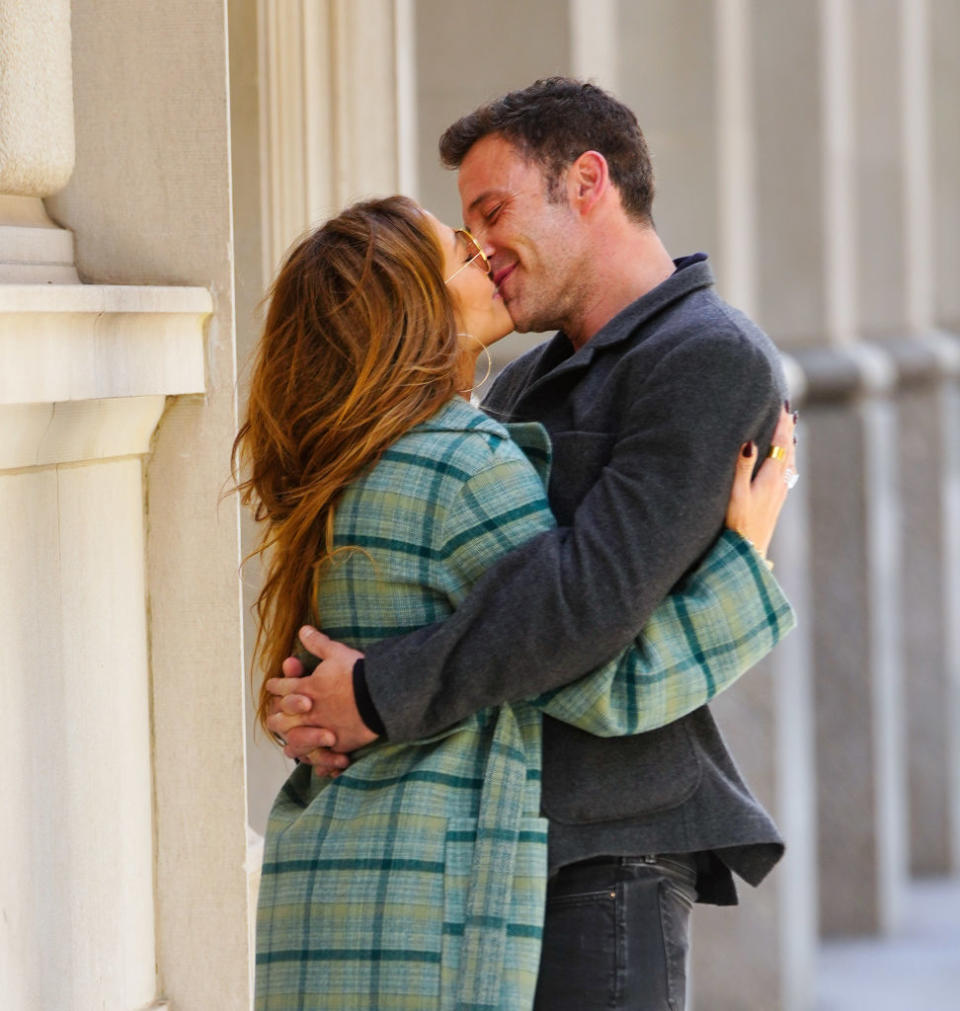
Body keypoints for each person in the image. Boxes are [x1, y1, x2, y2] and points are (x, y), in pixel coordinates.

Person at [266, 79, 799, 1009]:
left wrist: (372, 695)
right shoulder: (508, 393)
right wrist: (331, 696)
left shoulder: (709, 357)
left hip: (606, 848)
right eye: (466, 232)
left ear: (587, 182)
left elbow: (584, 600)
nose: (483, 247)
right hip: (490, 846)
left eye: (492, 211)